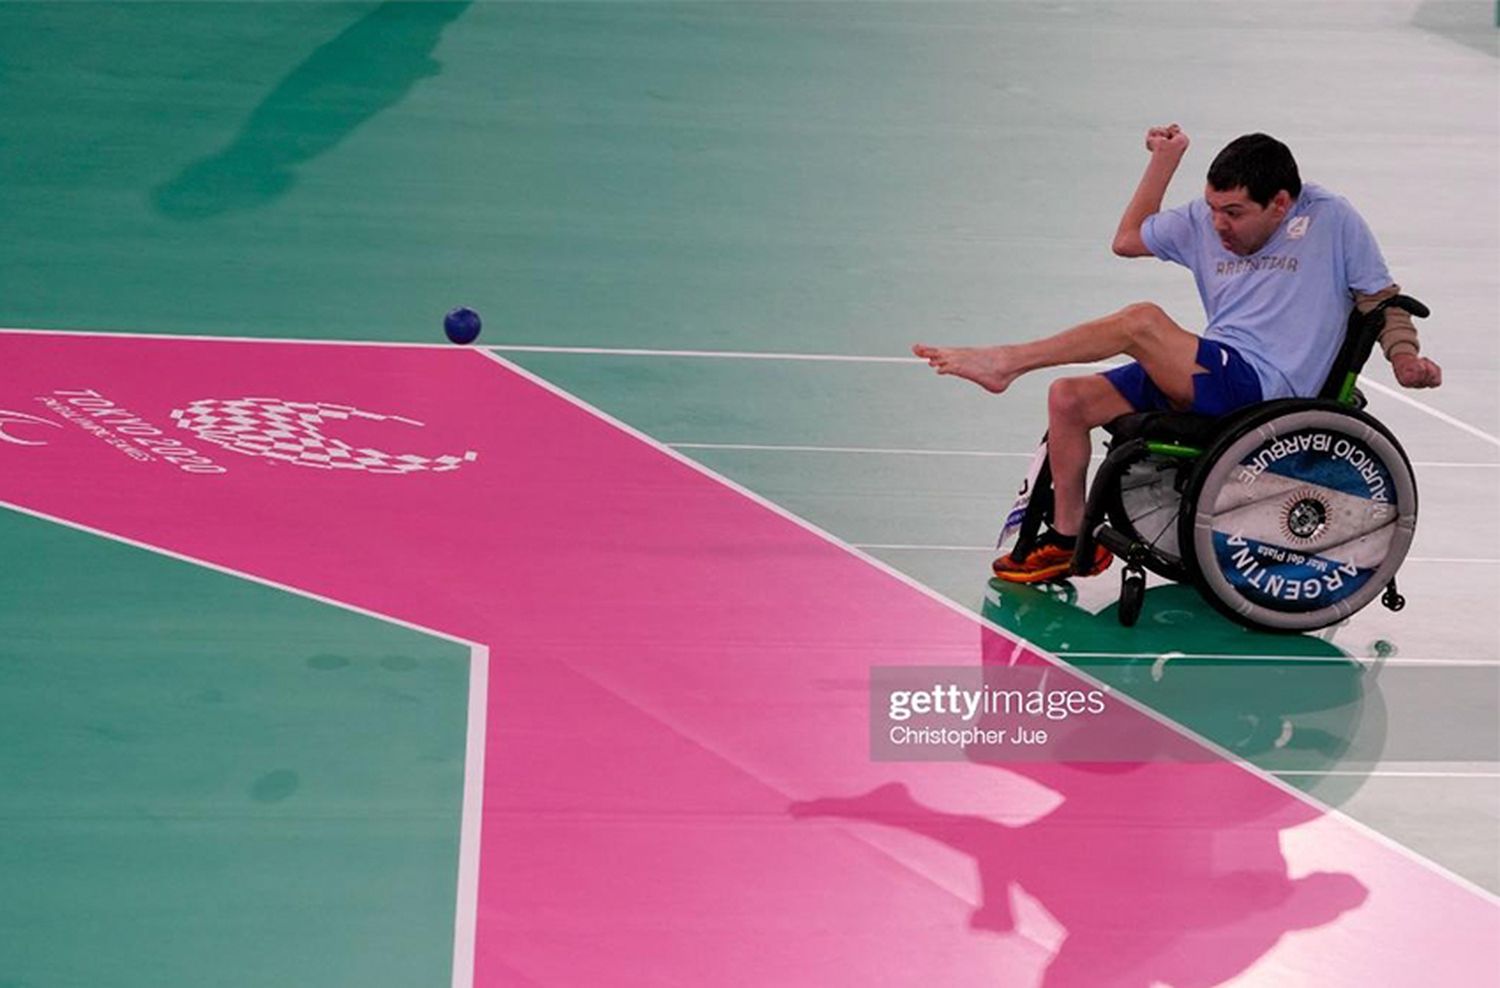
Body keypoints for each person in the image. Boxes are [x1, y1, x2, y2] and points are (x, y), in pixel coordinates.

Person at [914, 126, 1442, 583]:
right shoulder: (1203, 220)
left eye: (1234, 213)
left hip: (1267, 389)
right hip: (1213, 368)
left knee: (1141, 322)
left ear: (1281, 203)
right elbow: (1126, 240)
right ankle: (1071, 539)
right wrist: (1165, 161)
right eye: (1213, 209)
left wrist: (1404, 359)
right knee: (1070, 398)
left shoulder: (1330, 219)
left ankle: (1007, 362)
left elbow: (1381, 302)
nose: (1219, 226)